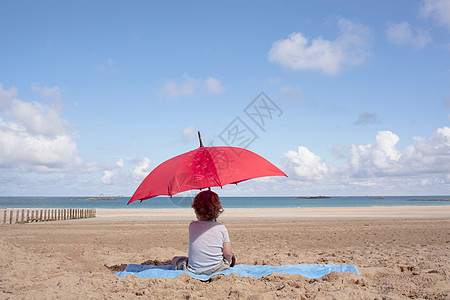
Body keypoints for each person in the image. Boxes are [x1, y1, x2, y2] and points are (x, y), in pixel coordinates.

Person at [172, 190, 234, 275]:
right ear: (217, 210)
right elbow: (228, 253)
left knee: (176, 259)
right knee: (227, 258)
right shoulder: (221, 228)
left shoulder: (192, 225)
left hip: (194, 269)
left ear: (196, 210)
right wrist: (228, 258)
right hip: (217, 269)